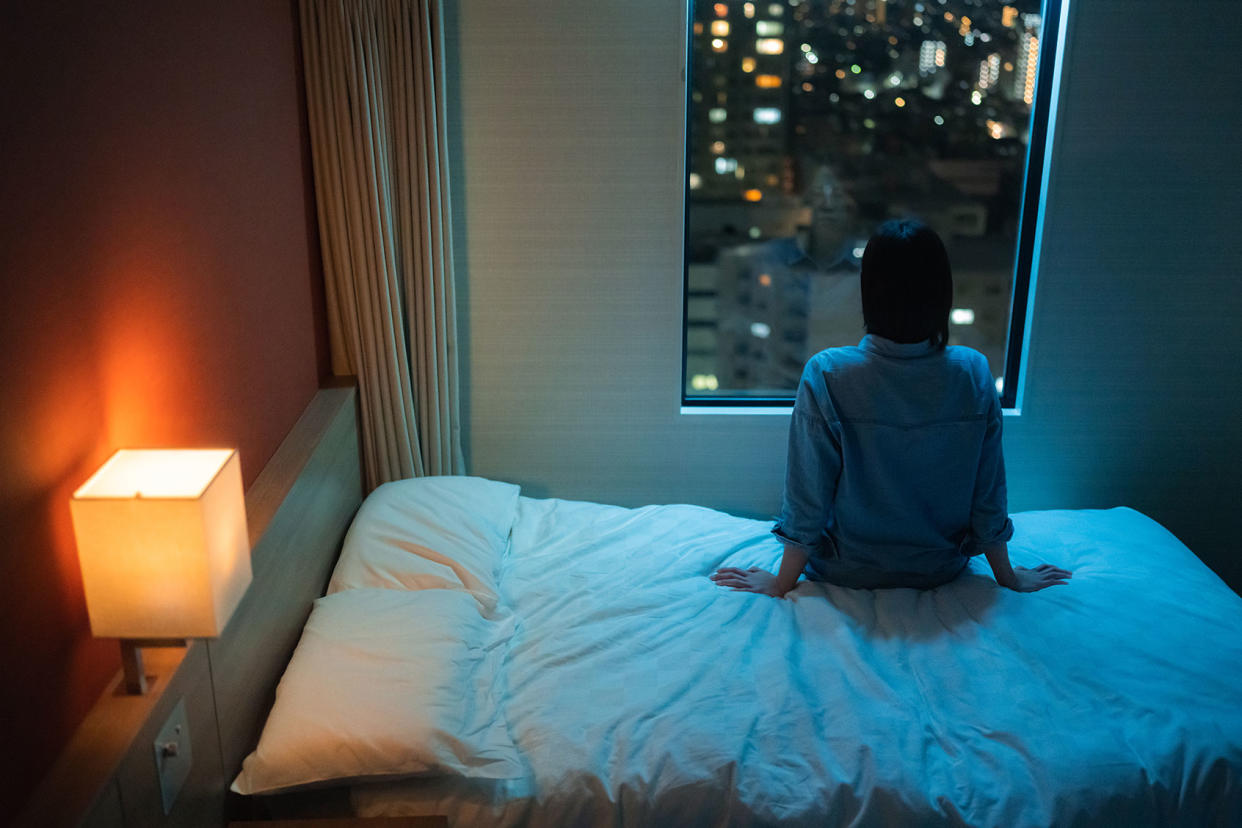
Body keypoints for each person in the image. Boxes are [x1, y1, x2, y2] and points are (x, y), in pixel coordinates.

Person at [711, 219, 1071, 598]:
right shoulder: (973, 372)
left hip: (845, 567)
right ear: (942, 292)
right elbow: (989, 493)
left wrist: (782, 582)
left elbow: (807, 496)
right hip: (938, 568)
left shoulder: (828, 372)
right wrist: (1007, 576)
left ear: (869, 290)